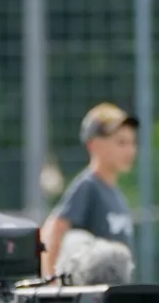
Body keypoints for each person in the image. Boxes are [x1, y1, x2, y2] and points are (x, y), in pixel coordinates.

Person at [40, 103, 139, 278]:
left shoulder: (114, 191)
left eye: (132, 142)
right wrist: (51, 282)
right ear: (94, 145)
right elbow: (53, 230)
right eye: (121, 142)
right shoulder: (89, 186)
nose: (130, 150)